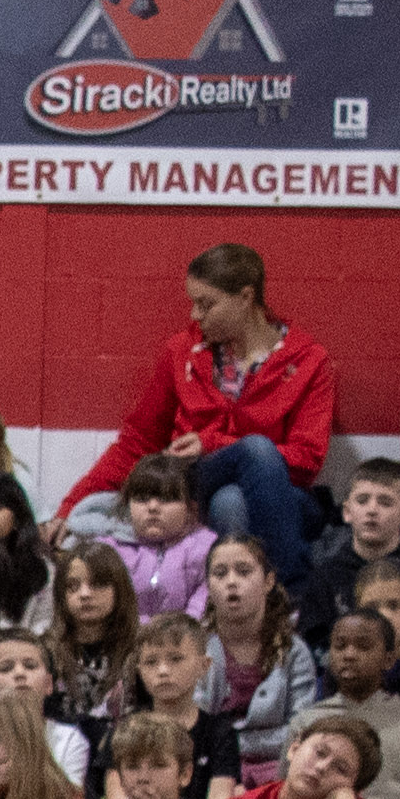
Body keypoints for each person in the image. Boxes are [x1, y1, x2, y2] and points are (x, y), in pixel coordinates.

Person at [58, 240, 331, 577]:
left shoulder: (308, 360)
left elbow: (307, 461)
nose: (195, 315)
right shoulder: (183, 351)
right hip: (195, 480)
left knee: (232, 498)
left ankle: (257, 602)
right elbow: (138, 441)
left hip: (280, 495)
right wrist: (69, 508)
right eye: (194, 304)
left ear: (246, 298)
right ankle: (293, 596)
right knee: (248, 460)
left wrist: (212, 442)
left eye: (207, 304)